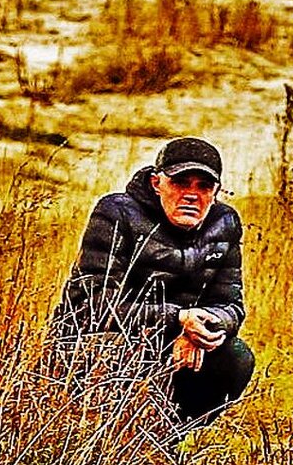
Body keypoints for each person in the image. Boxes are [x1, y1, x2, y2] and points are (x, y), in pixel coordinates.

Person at [53, 136, 254, 427]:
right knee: (117, 353)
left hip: (181, 340)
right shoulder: (116, 213)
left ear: (216, 192)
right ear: (156, 182)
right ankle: (103, 443)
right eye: (180, 183)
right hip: (100, 342)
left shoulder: (224, 222)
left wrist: (197, 330)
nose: (191, 195)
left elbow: (230, 306)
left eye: (204, 187)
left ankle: (166, 440)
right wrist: (176, 320)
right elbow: (92, 306)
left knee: (235, 357)